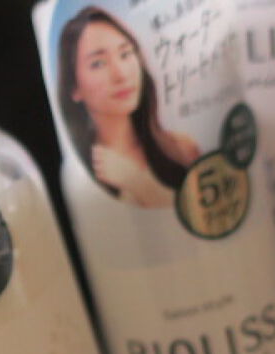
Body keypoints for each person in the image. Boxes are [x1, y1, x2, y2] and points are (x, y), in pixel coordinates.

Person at [57, 7, 200, 208]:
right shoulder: (85, 180)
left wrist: (140, 184)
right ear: (74, 88)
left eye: (125, 54)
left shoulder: (182, 148)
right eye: (98, 63)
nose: (121, 74)